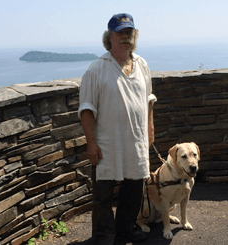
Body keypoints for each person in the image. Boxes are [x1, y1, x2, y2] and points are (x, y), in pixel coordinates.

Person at [78, 13, 156, 245]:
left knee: (133, 189)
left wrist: (150, 128)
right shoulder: (96, 70)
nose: (126, 37)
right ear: (109, 37)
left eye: (129, 33)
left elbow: (148, 100)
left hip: (135, 140)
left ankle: (125, 230)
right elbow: (86, 110)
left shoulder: (142, 65)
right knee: (102, 195)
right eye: (120, 32)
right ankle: (103, 237)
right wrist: (91, 142)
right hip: (107, 143)